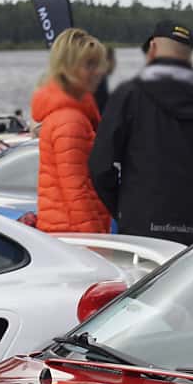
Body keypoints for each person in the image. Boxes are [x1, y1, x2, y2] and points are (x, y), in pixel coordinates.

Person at [87, 19, 193, 244]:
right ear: (189, 54)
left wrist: (124, 209)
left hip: (142, 227)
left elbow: (100, 165)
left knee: (148, 281)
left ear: (153, 48)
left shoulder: (129, 95)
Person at [31, 28, 111, 233]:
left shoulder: (68, 115)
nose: (99, 71)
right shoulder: (70, 120)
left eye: (98, 65)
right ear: (68, 68)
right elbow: (76, 191)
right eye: (90, 65)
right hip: (75, 236)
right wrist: (96, 244)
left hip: (65, 230)